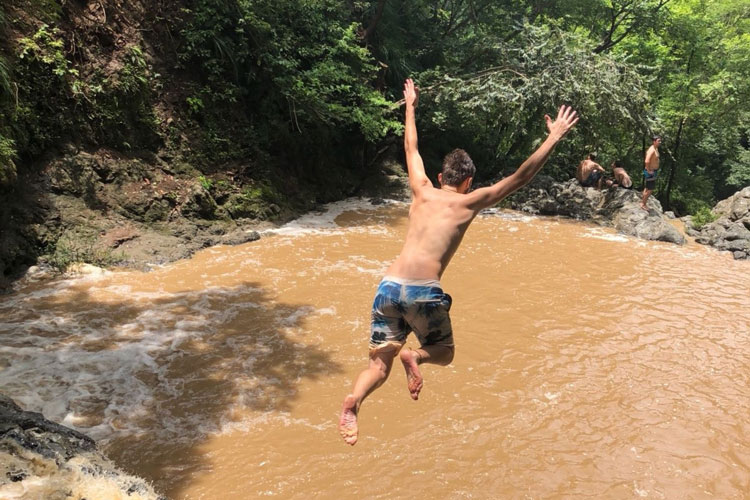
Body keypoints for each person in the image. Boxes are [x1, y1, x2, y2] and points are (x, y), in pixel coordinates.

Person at [338, 78, 579, 446]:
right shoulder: (469, 202)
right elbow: (520, 177)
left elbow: (411, 147)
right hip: (423, 292)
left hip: (388, 287)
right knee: (445, 353)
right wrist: (554, 136)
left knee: (378, 364)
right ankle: (415, 357)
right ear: (468, 181)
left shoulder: (421, 190)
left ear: (440, 177)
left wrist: (411, 106)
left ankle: (355, 401)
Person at [642, 135, 661, 210]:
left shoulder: (656, 148)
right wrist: (648, 170)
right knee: (650, 189)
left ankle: (643, 201)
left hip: (653, 171)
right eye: (658, 141)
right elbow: (647, 160)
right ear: (654, 141)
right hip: (651, 171)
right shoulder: (652, 149)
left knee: (647, 187)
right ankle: (643, 204)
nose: (660, 142)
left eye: (660, 140)